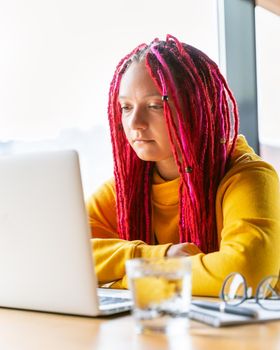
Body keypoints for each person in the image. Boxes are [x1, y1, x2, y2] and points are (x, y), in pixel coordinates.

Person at [86, 35, 280, 296]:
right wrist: (157, 256)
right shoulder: (127, 187)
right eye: (126, 107)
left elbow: (246, 275)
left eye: (154, 105)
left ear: (197, 108)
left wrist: (127, 279)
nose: (134, 123)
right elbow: (61, 253)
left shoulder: (248, 176)